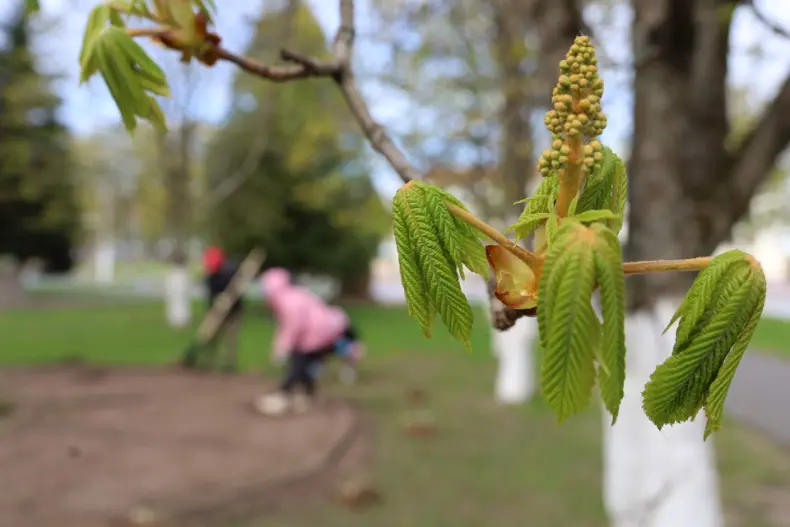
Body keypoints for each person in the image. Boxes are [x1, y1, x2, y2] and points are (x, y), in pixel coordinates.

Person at [255, 267, 365, 416]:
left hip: (318, 332)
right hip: (322, 330)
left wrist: (282, 348)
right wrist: (280, 346)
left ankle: (284, 395)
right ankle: (307, 394)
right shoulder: (291, 295)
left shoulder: (288, 301)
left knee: (299, 361)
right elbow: (285, 326)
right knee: (306, 364)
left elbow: (293, 326)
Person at [182, 246, 244, 371]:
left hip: (233, 311)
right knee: (210, 335)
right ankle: (206, 361)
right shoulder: (210, 277)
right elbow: (210, 295)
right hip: (216, 309)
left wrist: (228, 299)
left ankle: (228, 364)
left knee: (230, 338)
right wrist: (215, 306)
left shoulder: (231, 273)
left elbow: (237, 291)